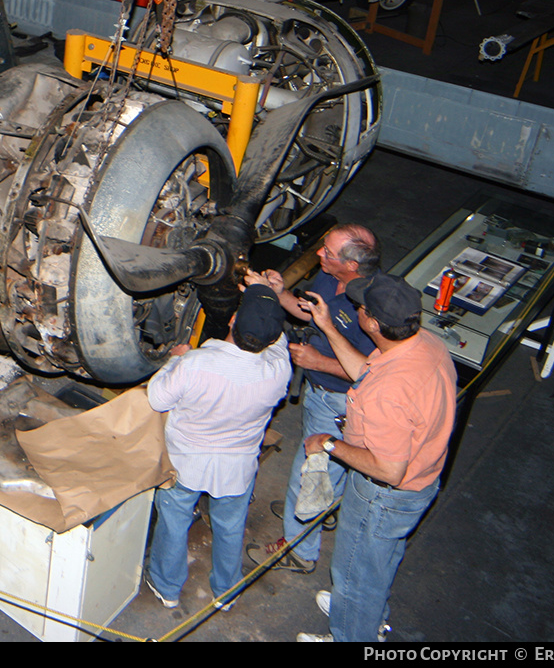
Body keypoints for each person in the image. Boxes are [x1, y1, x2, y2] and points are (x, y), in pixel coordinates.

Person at [294, 273, 457, 643]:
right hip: (421, 482)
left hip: (383, 494)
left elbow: (388, 469)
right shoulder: (421, 344)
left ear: (371, 323)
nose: (356, 309)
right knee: (379, 561)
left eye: (361, 308)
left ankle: (351, 631)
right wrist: (328, 328)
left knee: (354, 572)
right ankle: (367, 617)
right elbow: (365, 375)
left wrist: (329, 444)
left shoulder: (392, 391)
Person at [144, 273, 291, 610]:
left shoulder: (195, 364)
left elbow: (156, 398)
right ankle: (226, 592)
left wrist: (176, 358)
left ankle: (167, 587)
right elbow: (278, 342)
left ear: (234, 320)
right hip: (236, 469)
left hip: (185, 464)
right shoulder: (278, 371)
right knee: (230, 527)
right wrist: (269, 297)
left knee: (174, 521)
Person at [247, 224, 380, 574]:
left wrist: (318, 362)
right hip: (319, 393)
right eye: (323, 247)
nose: (319, 254)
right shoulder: (329, 276)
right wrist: (278, 291)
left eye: (328, 252)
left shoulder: (369, 308)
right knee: (323, 476)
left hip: (340, 404)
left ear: (352, 266)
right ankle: (320, 510)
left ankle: (300, 550)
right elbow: (309, 312)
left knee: (307, 476)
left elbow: (371, 371)